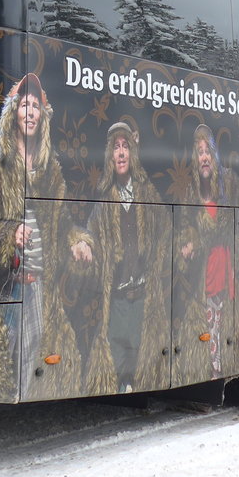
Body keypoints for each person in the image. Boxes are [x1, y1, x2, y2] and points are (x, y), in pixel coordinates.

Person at [0, 73, 84, 402]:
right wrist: (8, 233)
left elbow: (62, 224)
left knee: (30, 359)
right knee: (2, 359)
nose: (29, 112)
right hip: (4, 284)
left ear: (42, 117)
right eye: (24, 105)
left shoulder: (50, 168)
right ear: (13, 113)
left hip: (38, 284)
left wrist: (77, 240)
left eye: (35, 107)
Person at [75, 122, 169, 394]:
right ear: (110, 156)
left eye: (125, 146)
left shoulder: (147, 195)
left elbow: (166, 233)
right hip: (116, 302)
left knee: (143, 364)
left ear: (132, 153)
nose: (121, 153)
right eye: (115, 147)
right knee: (116, 367)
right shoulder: (105, 201)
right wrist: (83, 243)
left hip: (144, 300)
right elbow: (90, 234)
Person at [176, 124, 238, 379]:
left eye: (207, 151)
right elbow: (184, 230)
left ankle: (220, 374)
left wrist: (198, 239)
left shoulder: (228, 185)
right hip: (202, 279)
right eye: (199, 152)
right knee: (206, 331)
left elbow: (224, 229)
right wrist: (187, 244)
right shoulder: (191, 193)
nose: (203, 157)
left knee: (222, 329)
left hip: (223, 275)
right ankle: (212, 375)